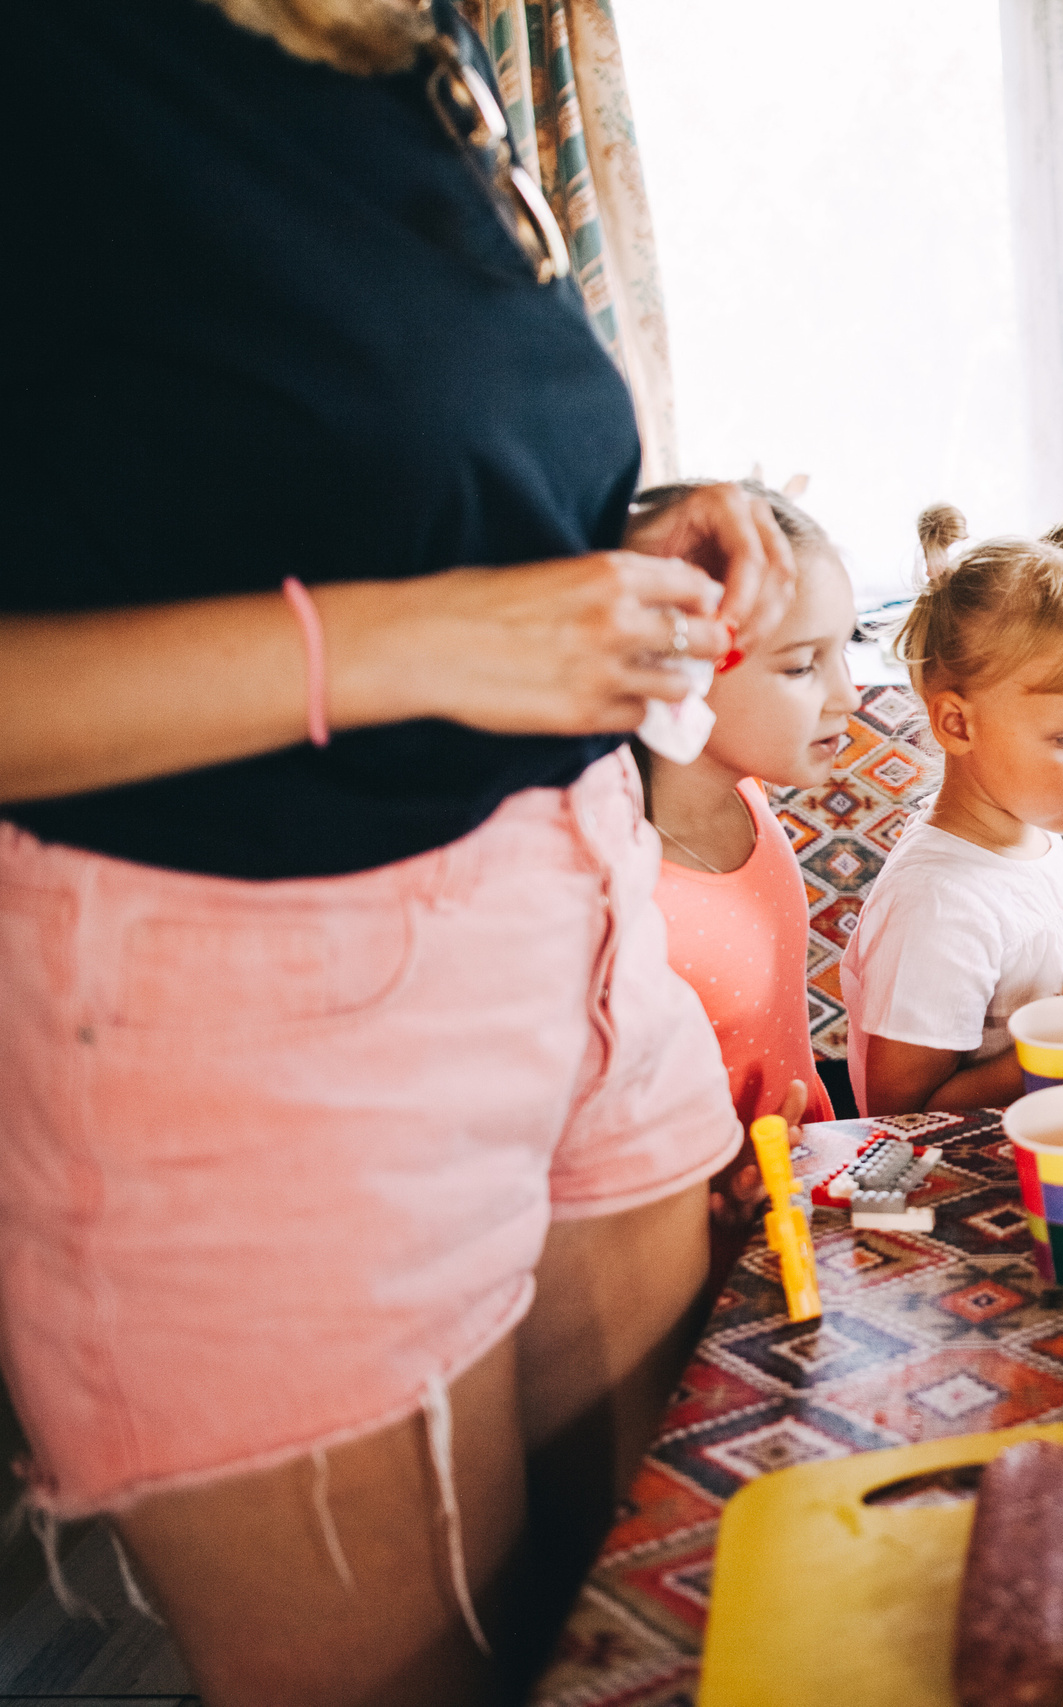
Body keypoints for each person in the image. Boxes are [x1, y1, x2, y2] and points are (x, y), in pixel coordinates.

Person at [0, 6, 796, 1702]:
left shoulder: (403, 64)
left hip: (583, 931)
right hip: (252, 1028)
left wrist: (625, 540)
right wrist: (422, 642)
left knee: (671, 1621)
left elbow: (348, 476)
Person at [839, 516, 1063, 1116]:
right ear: (957, 724)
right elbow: (898, 1111)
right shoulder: (939, 905)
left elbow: (1027, 1000)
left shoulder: (1030, 835)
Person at [632, 480, 862, 1238]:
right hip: (704, 1233)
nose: (849, 694)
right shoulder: (626, 881)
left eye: (846, 651)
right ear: (681, 671)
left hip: (806, 1180)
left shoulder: (750, 794)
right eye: (803, 666)